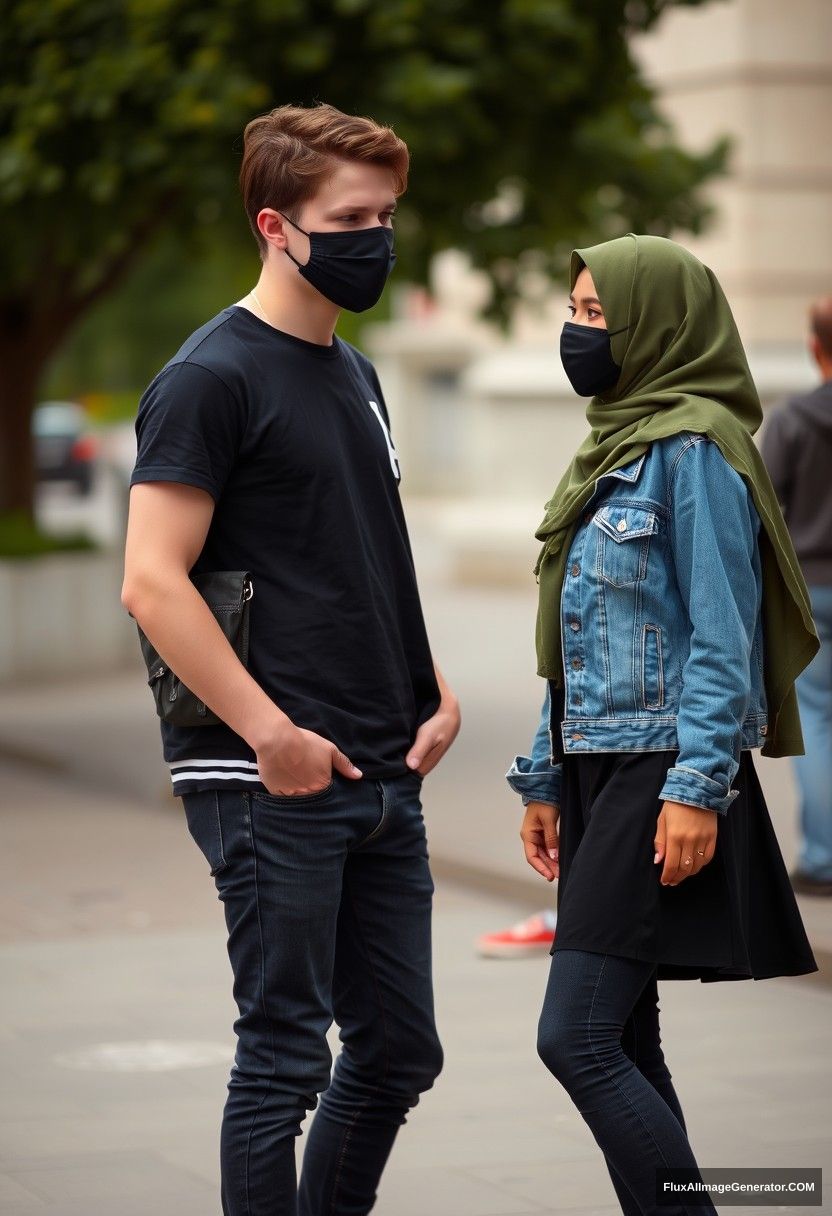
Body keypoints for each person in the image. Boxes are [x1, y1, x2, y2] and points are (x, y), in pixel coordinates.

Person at [121, 102, 460, 1216]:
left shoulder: (354, 372)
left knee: (399, 1050)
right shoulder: (210, 376)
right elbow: (151, 580)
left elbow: (359, 551)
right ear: (276, 225)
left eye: (388, 215)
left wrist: (436, 684)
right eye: (351, 217)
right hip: (269, 772)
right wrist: (271, 733)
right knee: (281, 1059)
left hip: (377, 766)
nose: (378, 237)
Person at [505, 234, 818, 1216]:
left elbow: (722, 640)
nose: (577, 331)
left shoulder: (692, 452)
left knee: (577, 1037)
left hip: (658, 767)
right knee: (624, 1035)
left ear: (658, 325)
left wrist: (694, 790)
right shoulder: (614, 442)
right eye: (578, 309)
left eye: (600, 315)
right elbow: (575, 635)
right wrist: (543, 774)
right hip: (596, 766)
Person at [760, 297, 832, 897]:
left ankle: (824, 858)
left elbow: (760, 508)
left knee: (818, 718)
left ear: (814, 347)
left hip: (813, 591)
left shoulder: (790, 420)